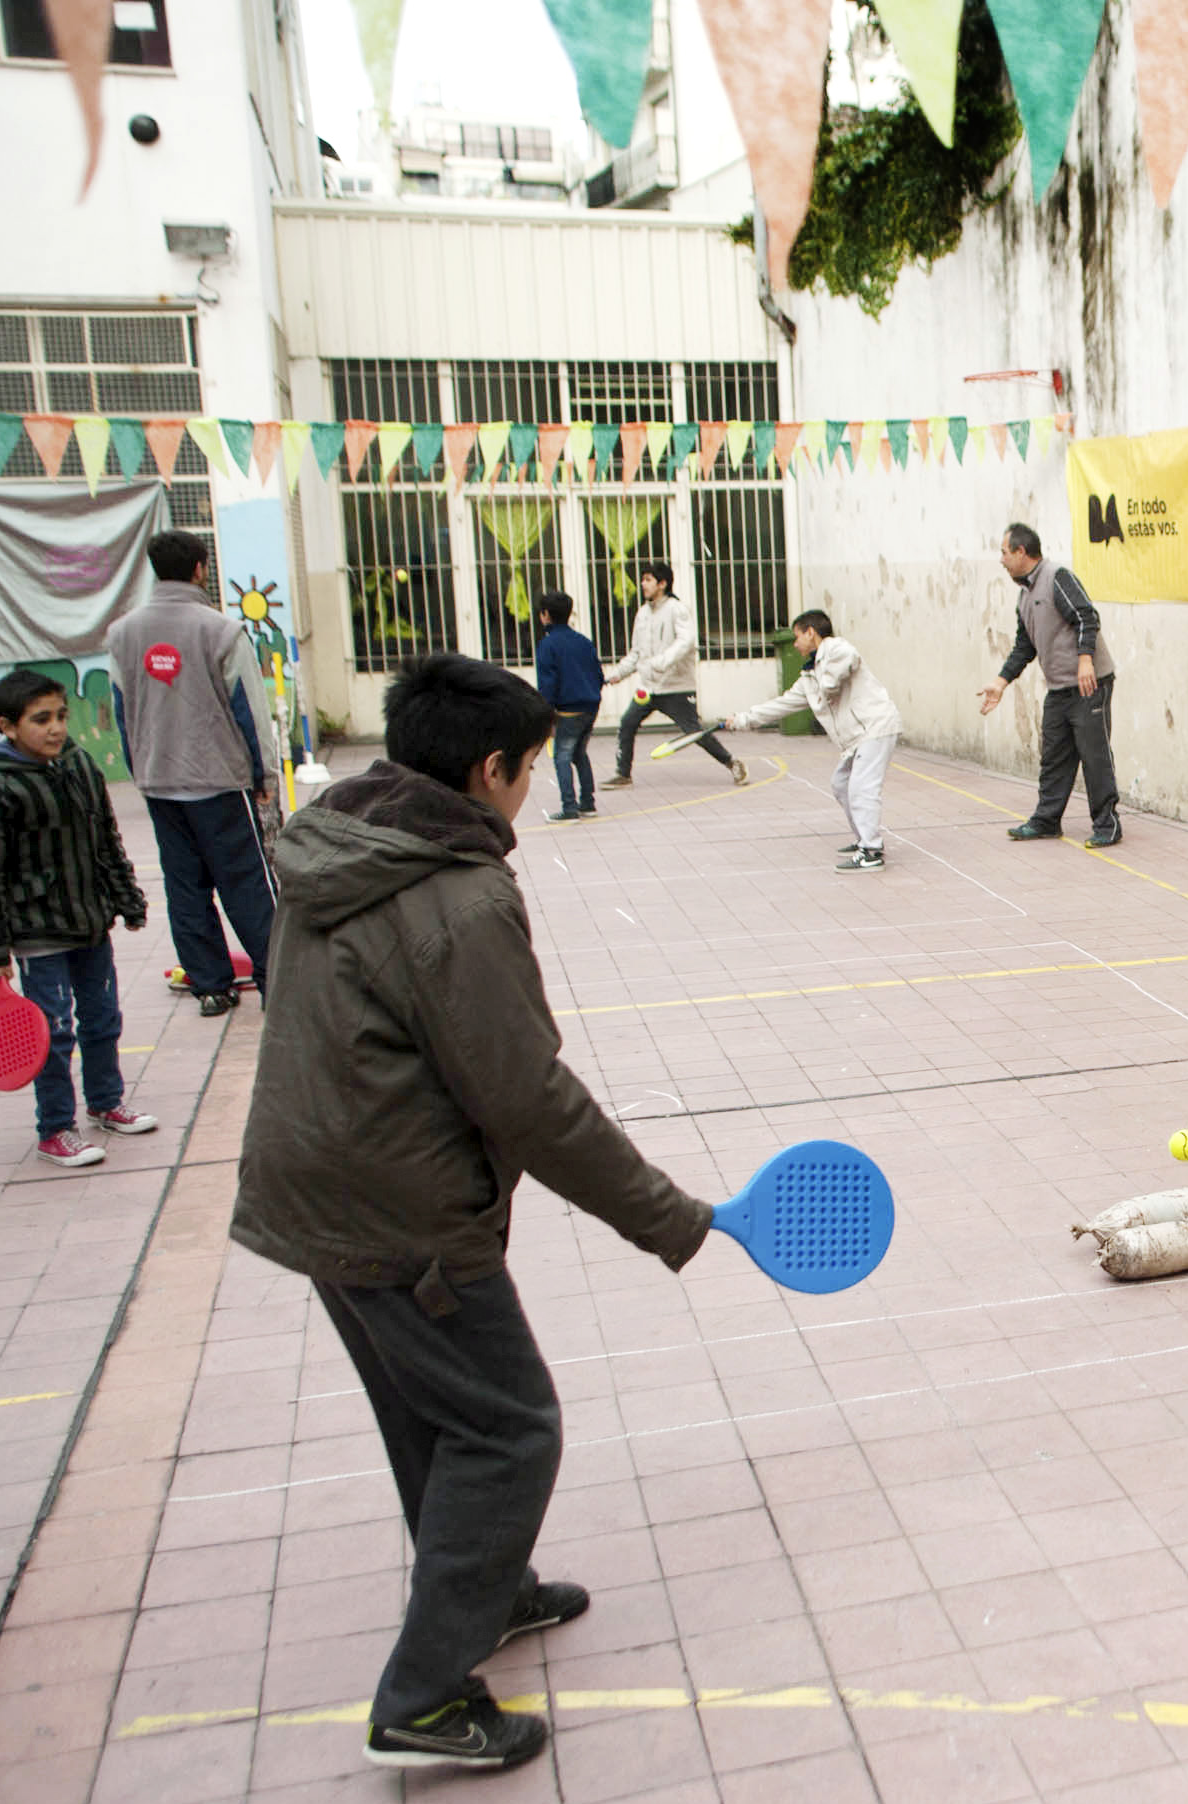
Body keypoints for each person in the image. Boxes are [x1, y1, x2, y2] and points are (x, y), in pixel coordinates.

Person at [231, 654, 714, 1771]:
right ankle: (425, 1695)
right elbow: (528, 1097)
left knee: (434, 1416)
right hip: (397, 1208)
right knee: (511, 1427)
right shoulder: (453, 892)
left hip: (317, 1184)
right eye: (533, 769)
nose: (533, 788)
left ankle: (486, 1590)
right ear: (488, 769)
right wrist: (667, 1216)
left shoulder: (338, 841)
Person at [0, 668, 157, 1168]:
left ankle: (106, 1102)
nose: (56, 728)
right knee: (52, 1032)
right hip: (35, 933)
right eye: (40, 719)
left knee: (103, 1017)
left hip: (90, 922)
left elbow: (105, 839)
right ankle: (55, 1129)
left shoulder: (79, 765)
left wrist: (126, 898)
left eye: (61, 716)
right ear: (7, 725)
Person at [105, 530, 276, 1018]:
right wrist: (262, 778)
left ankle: (210, 986)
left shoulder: (122, 635)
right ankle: (274, 977)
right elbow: (249, 710)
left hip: (160, 781)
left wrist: (142, 769)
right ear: (201, 568)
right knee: (246, 882)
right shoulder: (221, 631)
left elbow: (121, 709)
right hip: (220, 781)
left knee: (185, 884)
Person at [977, 523, 1120, 848]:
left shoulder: (1057, 577)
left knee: (1094, 755)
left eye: (1003, 552)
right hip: (1059, 688)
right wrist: (1001, 682)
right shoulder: (1026, 594)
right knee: (1053, 755)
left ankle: (1107, 825)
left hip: (1089, 684)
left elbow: (1086, 616)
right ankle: (1046, 820)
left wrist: (1086, 659)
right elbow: (1024, 645)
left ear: (1021, 552)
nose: (1001, 560)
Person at [728, 606, 900, 871]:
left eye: (797, 637)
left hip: (875, 726)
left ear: (811, 633)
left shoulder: (834, 647)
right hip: (857, 737)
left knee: (861, 788)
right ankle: (863, 839)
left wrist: (828, 682)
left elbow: (848, 659)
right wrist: (743, 719)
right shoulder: (809, 677)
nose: (795, 644)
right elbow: (783, 704)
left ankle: (872, 851)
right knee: (841, 784)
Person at [600, 561, 744, 789]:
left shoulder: (677, 609)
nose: (643, 584)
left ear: (663, 583)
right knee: (627, 722)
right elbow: (637, 653)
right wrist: (616, 674)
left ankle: (731, 762)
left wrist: (661, 662)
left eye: (648, 579)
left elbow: (685, 642)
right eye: (643, 579)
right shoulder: (642, 613)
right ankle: (623, 773)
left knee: (694, 732)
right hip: (648, 689)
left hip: (676, 688)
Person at [531, 593, 602, 823]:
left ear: (545, 616)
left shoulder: (547, 644)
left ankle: (569, 808)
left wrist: (545, 713)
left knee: (562, 756)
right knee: (579, 753)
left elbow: (548, 683)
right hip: (591, 705)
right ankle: (588, 803)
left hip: (567, 709)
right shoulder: (584, 641)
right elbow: (598, 675)